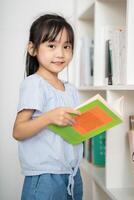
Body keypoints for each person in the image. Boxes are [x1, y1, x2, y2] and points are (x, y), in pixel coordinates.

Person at [13, 13, 83, 200]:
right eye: (51, 46)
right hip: (45, 177)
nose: (60, 54)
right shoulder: (34, 83)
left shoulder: (70, 89)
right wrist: (48, 117)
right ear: (33, 49)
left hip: (72, 174)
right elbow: (18, 131)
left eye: (66, 46)